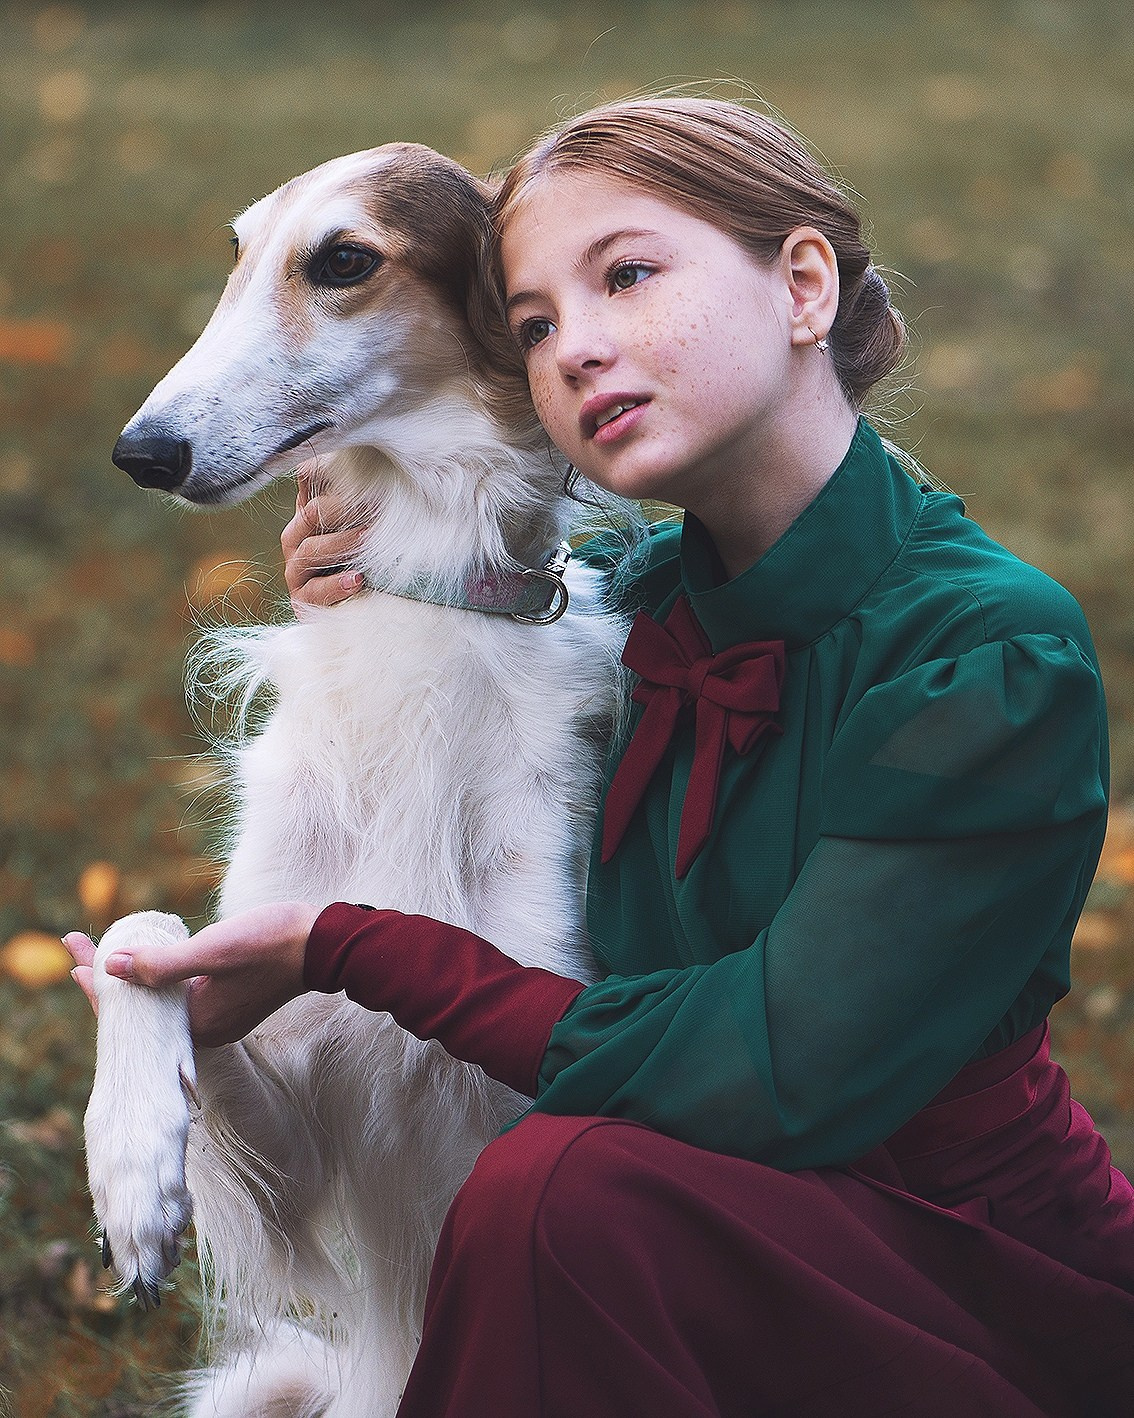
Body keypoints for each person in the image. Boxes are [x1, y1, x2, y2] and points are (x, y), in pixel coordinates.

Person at [68, 97, 1134, 1415]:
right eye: (530, 324)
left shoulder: (984, 650)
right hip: (684, 1246)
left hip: (975, 1289)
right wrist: (393, 563)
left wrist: (340, 946)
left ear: (801, 285)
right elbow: (492, 562)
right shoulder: (608, 606)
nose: (574, 348)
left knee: (559, 1185)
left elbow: (777, 1072)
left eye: (626, 275)